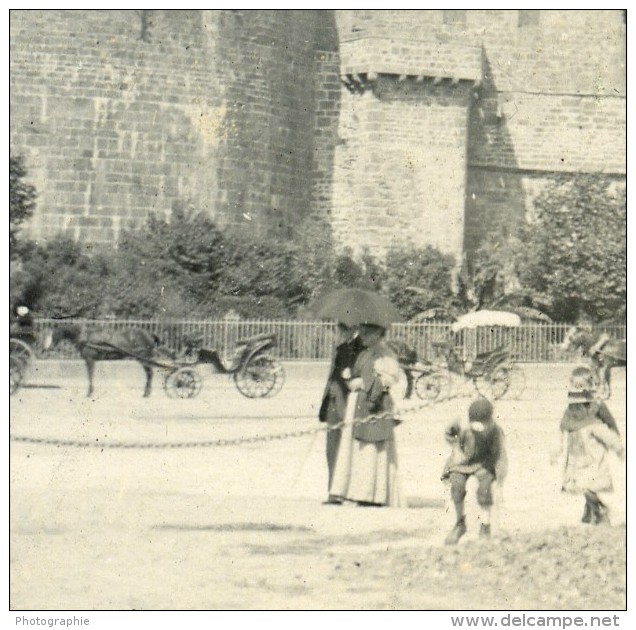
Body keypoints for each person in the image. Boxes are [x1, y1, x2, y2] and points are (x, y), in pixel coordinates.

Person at [328, 323, 404, 507]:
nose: (363, 335)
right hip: (357, 403)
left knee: (372, 449)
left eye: (368, 332)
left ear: (379, 333)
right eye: (362, 332)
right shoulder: (362, 351)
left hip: (375, 405)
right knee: (356, 449)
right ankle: (355, 491)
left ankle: (373, 495)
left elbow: (393, 379)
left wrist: (365, 382)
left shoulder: (385, 354)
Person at [553, 366, 624, 525]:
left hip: (593, 453)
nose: (579, 389)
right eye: (576, 385)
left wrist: (618, 445)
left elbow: (609, 424)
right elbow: (563, 426)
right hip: (576, 453)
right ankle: (591, 509)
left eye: (582, 385)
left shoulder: (596, 406)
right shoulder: (570, 409)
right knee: (579, 484)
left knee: (588, 483)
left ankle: (600, 509)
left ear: (590, 385)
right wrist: (557, 449)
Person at [442, 397, 508, 545]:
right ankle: (460, 524)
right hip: (462, 462)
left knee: (484, 491)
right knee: (457, 487)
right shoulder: (463, 428)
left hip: (483, 463)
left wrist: (499, 479)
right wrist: (452, 432)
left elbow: (500, 456)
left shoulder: (495, 432)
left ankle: (485, 525)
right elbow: (451, 438)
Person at [318, 323, 364, 504]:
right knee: (332, 448)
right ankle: (333, 491)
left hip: (346, 403)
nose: (339, 332)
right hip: (333, 402)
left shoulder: (358, 349)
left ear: (354, 329)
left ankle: (341, 492)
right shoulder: (341, 347)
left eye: (343, 329)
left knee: (343, 448)